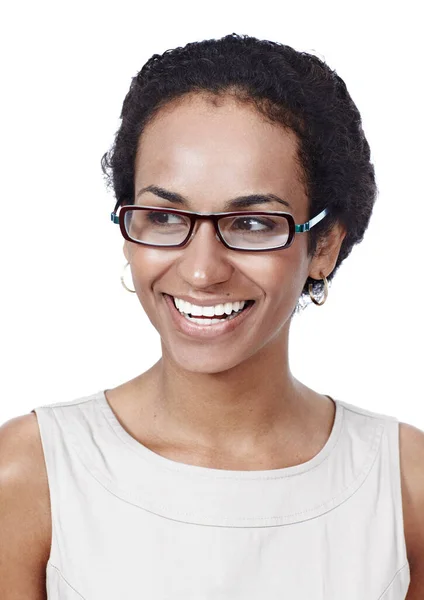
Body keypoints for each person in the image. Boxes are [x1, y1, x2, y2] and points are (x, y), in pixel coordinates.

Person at [0, 32, 423, 599]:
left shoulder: (405, 485)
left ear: (322, 246)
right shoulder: (29, 472)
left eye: (252, 224)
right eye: (164, 217)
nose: (202, 271)